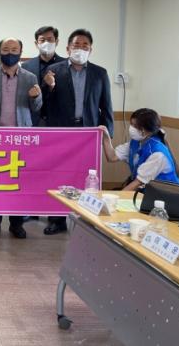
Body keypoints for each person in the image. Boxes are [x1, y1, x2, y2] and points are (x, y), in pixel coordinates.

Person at [43, 28, 114, 235]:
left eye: (85, 46)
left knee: (87, 177)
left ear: (91, 50)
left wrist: (107, 137)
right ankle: (57, 220)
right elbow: (43, 106)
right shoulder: (53, 70)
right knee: (58, 176)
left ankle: (86, 219)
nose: (80, 49)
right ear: (67, 48)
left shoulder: (100, 73)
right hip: (61, 133)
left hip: (88, 134)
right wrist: (49, 87)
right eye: (76, 45)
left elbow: (106, 106)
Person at [0, 38, 42, 239]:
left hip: (21, 138)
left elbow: (37, 108)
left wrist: (35, 96)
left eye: (14, 49)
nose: (10, 52)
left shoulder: (30, 77)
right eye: (6, 49)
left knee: (19, 183)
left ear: (20, 52)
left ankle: (17, 224)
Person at [100, 108, 179, 190]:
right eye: (131, 124)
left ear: (145, 130)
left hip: (165, 195)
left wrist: (118, 197)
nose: (131, 128)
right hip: (147, 191)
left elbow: (137, 183)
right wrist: (106, 137)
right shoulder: (136, 143)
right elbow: (112, 157)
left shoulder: (157, 154)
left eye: (134, 126)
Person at [21, 26, 65, 127]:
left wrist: (52, 86)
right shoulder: (26, 66)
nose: (46, 43)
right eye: (42, 40)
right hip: (34, 120)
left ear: (56, 42)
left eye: (50, 39)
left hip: (59, 120)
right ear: (36, 43)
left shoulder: (66, 64)